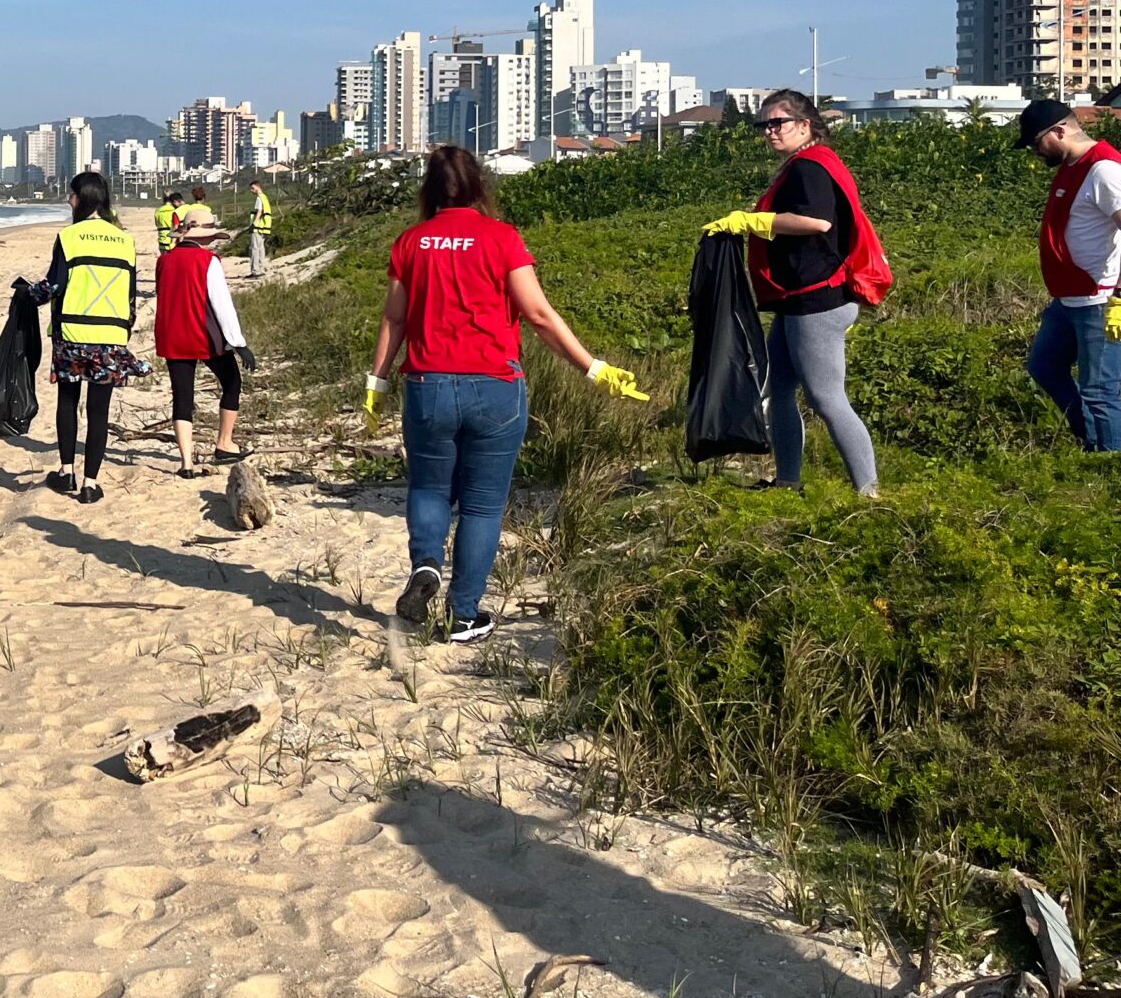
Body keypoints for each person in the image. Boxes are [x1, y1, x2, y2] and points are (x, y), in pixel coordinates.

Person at [370, 146, 647, 643]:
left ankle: (427, 565)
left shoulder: (410, 242)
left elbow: (394, 318)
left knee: (429, 488)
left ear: (429, 189)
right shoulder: (501, 238)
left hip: (428, 384)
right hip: (495, 387)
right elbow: (539, 316)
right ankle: (464, 615)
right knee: (481, 506)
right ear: (479, 185)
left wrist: (377, 383)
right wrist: (593, 367)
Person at [700, 90, 881, 494]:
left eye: (777, 123)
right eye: (764, 125)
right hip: (798, 300)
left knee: (827, 399)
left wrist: (755, 221)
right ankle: (788, 482)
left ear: (804, 125)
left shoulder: (809, 168)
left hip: (818, 300)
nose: (769, 132)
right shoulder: (809, 163)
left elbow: (817, 223)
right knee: (779, 390)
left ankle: (869, 495)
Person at [26, 170, 143, 504]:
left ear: (85, 199)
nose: (69, 200)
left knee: (67, 401)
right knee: (99, 411)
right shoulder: (125, 241)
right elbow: (130, 296)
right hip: (111, 334)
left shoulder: (70, 237)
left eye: (72, 195)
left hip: (73, 333)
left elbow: (53, 286)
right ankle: (90, 483)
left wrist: (27, 296)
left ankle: (66, 472)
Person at [1017, 98, 1121, 450]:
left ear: (1059, 131)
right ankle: (1090, 441)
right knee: (1044, 367)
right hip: (1068, 300)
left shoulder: (1104, 169)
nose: (1033, 151)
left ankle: (1107, 466)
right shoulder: (1071, 166)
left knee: (1100, 390)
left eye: (1035, 142)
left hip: (1101, 300)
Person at [155, 229, 254, 477]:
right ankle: (224, 443)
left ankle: (186, 463)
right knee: (232, 382)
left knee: (182, 395)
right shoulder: (208, 260)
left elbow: (162, 293)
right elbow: (221, 303)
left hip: (172, 334)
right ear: (202, 236)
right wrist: (238, 342)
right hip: (202, 334)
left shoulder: (164, 260)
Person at [245, 181, 275, 279]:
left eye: (252, 188)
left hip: (258, 227)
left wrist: (254, 224)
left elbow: (259, 211)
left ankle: (255, 271)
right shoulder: (265, 197)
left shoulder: (259, 198)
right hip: (265, 227)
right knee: (261, 248)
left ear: (257, 187)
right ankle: (261, 269)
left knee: (254, 249)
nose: (251, 191)